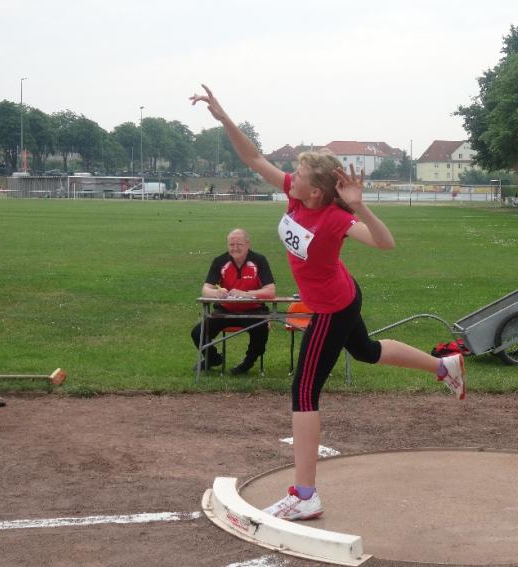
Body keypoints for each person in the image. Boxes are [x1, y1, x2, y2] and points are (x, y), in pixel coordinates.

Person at [191, 85, 466, 521]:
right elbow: (253, 159)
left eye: (299, 173)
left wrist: (362, 207)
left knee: (303, 389)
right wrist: (225, 119)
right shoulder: (296, 194)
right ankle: (443, 367)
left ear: (316, 191)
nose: (291, 175)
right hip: (340, 294)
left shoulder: (336, 217)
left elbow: (385, 243)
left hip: (333, 307)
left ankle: (305, 495)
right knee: (367, 351)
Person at [191, 228, 276, 375]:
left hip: (253, 310)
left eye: (239, 244)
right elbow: (205, 290)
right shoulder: (219, 261)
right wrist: (216, 293)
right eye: (231, 244)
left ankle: (247, 363)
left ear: (247, 244)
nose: (235, 248)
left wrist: (247, 294)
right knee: (198, 332)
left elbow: (270, 291)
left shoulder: (259, 261)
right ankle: (213, 358)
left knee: (261, 330)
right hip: (225, 311)